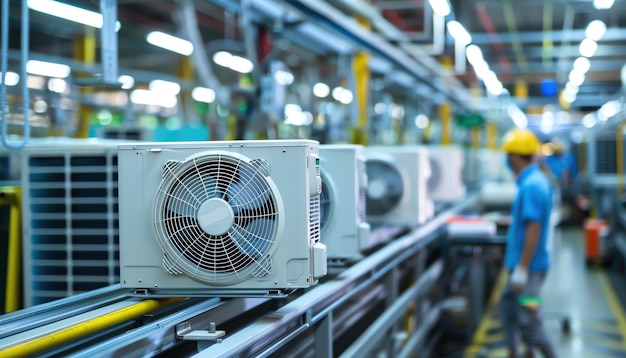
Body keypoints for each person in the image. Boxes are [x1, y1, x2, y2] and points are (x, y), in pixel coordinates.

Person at [501, 129, 558, 358]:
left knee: (531, 324)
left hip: (529, 271)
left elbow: (533, 228)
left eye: (509, 154)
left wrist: (522, 268)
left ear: (515, 156)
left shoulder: (532, 185)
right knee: (509, 312)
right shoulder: (534, 180)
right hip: (526, 267)